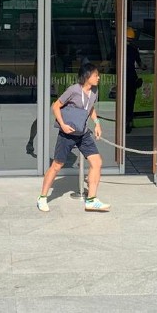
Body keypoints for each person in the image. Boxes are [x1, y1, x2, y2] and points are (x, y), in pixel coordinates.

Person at [37, 63, 110, 213]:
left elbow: (90, 108)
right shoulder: (73, 90)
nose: (98, 78)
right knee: (57, 165)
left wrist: (97, 123)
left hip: (83, 133)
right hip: (67, 134)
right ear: (87, 76)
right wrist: (63, 125)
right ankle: (42, 198)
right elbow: (55, 106)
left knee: (97, 162)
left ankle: (91, 200)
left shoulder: (94, 91)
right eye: (96, 75)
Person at [123, 27, 145, 134]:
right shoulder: (133, 49)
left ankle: (120, 122)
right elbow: (141, 65)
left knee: (121, 101)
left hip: (121, 78)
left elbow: (109, 60)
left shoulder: (119, 48)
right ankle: (128, 123)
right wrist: (144, 67)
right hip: (132, 78)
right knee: (130, 101)